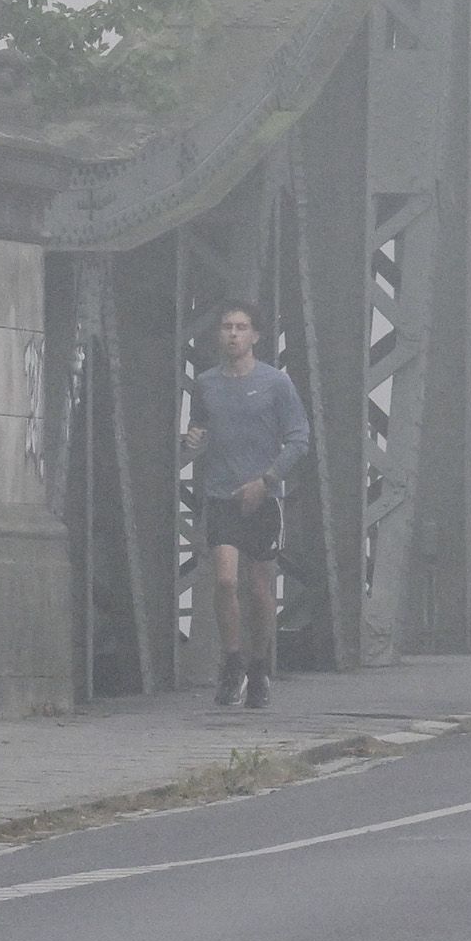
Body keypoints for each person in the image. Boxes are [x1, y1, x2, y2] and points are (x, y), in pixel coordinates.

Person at [187, 302, 312, 708]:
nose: (233, 334)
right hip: (221, 493)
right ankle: (233, 661)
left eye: (241, 328)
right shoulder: (205, 383)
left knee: (260, 589)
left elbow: (299, 439)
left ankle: (259, 666)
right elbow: (200, 430)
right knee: (224, 581)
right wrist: (193, 441)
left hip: (263, 498)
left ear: (256, 336)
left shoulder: (276, 384)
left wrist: (268, 480)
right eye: (226, 327)